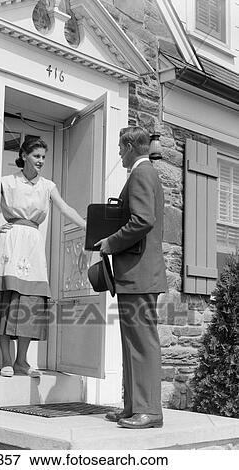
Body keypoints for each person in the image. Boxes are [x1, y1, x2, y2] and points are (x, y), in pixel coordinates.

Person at [95, 126, 167, 429]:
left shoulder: (141, 173)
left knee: (142, 343)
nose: (118, 154)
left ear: (129, 146)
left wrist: (110, 243)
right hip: (137, 273)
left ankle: (149, 410)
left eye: (120, 148)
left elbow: (143, 220)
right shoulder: (144, 173)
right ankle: (133, 407)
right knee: (131, 343)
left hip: (139, 274)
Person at [0, 136, 86, 378]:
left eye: (43, 157)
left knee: (31, 301)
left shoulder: (47, 185)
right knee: (7, 299)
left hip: (33, 245)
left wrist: (87, 226)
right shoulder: (6, 182)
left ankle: (21, 361)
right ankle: (5, 359)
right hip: (11, 242)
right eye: (36, 156)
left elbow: (65, 208)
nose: (41, 161)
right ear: (24, 155)